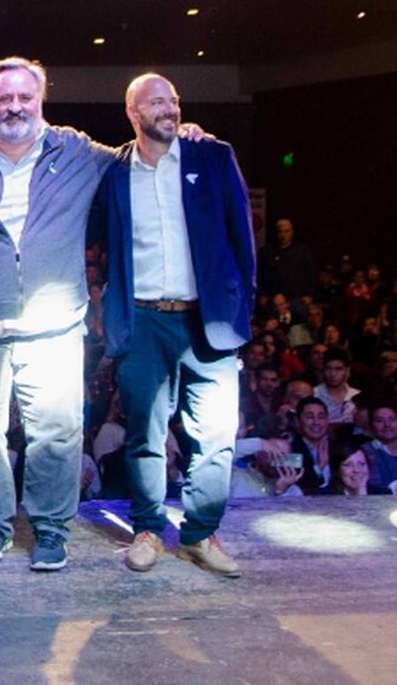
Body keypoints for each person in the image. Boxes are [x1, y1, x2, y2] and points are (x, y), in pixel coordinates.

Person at [0, 58, 207, 572]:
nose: (14, 107)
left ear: (41, 101)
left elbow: (135, 159)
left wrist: (175, 131)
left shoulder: (77, 151)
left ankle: (51, 530)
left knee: (57, 433)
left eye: (25, 98)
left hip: (53, 325)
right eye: (3, 99)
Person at [100, 73, 253, 578]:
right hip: (144, 320)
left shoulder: (212, 156)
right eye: (157, 102)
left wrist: (240, 308)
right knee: (143, 432)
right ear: (133, 113)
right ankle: (147, 528)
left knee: (215, 433)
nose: (170, 109)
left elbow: (242, 240)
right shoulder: (113, 172)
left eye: (174, 101)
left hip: (207, 319)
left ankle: (201, 534)